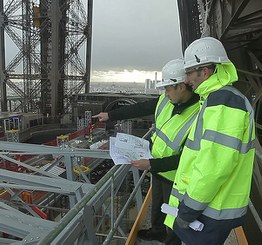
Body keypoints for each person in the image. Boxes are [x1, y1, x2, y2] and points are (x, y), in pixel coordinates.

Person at [93, 58, 199, 243]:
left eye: (167, 89)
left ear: (181, 86)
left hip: (176, 176)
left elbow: (189, 156)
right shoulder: (167, 101)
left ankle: (171, 240)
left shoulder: (199, 113)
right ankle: (157, 231)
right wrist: (110, 115)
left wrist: (151, 163)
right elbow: (140, 108)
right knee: (157, 204)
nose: (165, 94)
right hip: (157, 168)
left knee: (174, 214)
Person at [164, 37, 256, 245]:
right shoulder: (216, 99)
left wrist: (188, 211)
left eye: (189, 73)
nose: (187, 80)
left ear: (204, 71)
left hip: (209, 210)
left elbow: (213, 166)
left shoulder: (223, 102)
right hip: (210, 205)